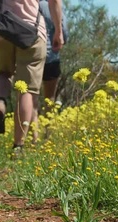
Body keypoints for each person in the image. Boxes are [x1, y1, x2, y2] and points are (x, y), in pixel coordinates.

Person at [0, 0, 64, 151]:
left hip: (1, 29)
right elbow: (54, 2)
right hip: (32, 32)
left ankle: (0, 101)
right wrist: (58, 30)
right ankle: (18, 145)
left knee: (3, 73)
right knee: (27, 90)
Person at [31, 0, 68, 142]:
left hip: (32, 55)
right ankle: (48, 135)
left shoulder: (30, 5)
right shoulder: (51, 6)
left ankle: (33, 138)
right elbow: (64, 31)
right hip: (52, 56)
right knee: (50, 99)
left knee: (32, 98)